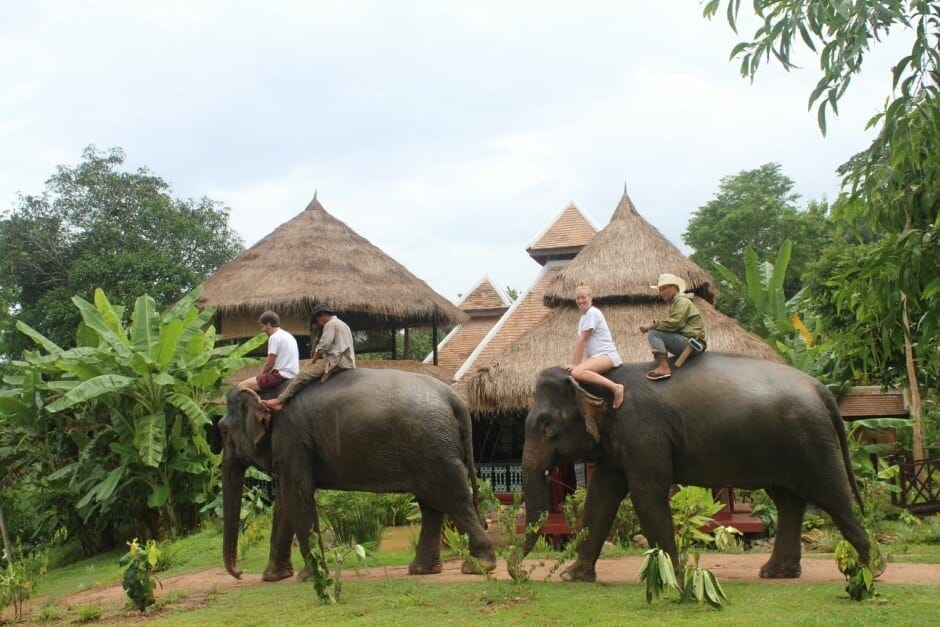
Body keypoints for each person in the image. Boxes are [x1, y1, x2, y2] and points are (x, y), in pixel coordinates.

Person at [261, 304, 356, 412]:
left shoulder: (330, 324)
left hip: (336, 361)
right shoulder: (343, 324)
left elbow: (323, 346)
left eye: (317, 319)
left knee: (302, 375)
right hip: (348, 361)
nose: (318, 322)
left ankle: (279, 401)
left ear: (322, 315)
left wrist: (313, 361)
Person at [563, 284, 625, 410]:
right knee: (578, 370)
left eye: (583, 297)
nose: (580, 301)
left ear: (590, 298)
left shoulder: (592, 313)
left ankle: (616, 387)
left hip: (606, 355)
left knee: (577, 371)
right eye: (578, 298)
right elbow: (587, 345)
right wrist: (581, 361)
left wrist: (575, 364)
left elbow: (583, 340)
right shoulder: (583, 318)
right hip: (596, 356)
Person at [638, 273, 707, 381]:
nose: (661, 293)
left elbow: (675, 324)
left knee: (654, 332)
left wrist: (653, 323)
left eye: (664, 289)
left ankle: (663, 367)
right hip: (688, 341)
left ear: (674, 287)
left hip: (691, 344)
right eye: (660, 290)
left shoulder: (681, 301)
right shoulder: (678, 302)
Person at [237, 311, 300, 392]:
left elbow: (269, 364)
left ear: (269, 324)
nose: (262, 330)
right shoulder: (288, 335)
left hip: (280, 376)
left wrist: (260, 376)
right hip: (293, 374)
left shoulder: (274, 337)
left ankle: (260, 403)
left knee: (241, 385)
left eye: (263, 326)